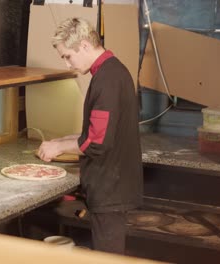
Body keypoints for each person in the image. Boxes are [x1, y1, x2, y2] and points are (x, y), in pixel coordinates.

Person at [37, 17, 143, 255]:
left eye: (67, 56)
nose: (67, 64)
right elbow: (96, 132)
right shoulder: (111, 72)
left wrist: (59, 149)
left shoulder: (107, 80)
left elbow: (96, 142)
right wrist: (60, 142)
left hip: (110, 189)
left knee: (109, 257)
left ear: (84, 45)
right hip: (112, 185)